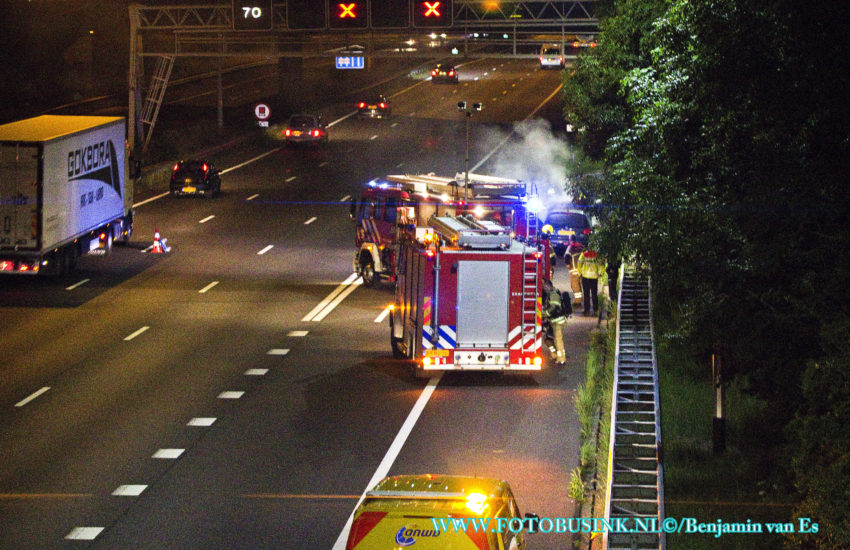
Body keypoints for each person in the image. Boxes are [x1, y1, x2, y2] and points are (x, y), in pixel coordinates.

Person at [542, 279, 568, 365]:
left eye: (545, 287)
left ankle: (561, 359)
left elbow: (554, 308)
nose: (544, 288)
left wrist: (544, 314)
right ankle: (555, 355)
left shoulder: (554, 295)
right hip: (553, 321)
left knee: (558, 340)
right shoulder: (551, 294)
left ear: (549, 286)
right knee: (547, 339)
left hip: (558, 321)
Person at [577, 248, 605, 316]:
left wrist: (579, 274)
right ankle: (595, 310)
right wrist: (601, 273)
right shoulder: (597, 254)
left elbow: (579, 264)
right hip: (594, 277)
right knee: (594, 294)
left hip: (585, 277)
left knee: (586, 294)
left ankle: (587, 310)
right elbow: (601, 264)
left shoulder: (583, 254)